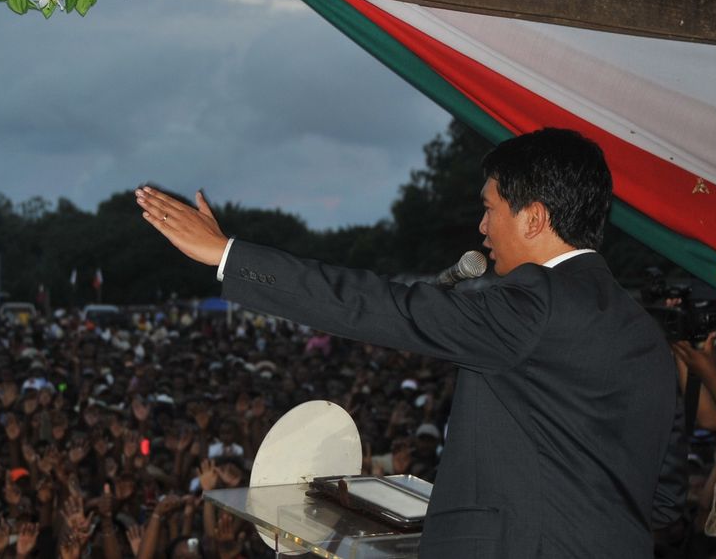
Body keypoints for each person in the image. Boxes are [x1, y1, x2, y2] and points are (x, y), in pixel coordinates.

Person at [135, 127, 678, 558]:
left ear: (534, 217)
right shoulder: (648, 335)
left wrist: (228, 255)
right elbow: (663, 501)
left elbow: (382, 306)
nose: (482, 228)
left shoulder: (537, 303)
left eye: (489, 208)